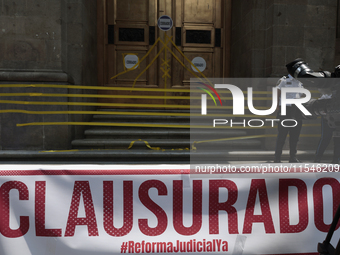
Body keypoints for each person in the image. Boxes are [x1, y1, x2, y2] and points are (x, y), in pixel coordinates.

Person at [274, 74, 303, 163]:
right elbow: (277, 92)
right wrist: (277, 106)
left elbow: (301, 95)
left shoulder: (300, 82)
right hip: (285, 109)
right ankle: (277, 157)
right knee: (282, 135)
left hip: (296, 109)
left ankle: (293, 157)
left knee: (295, 135)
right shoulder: (284, 80)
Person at [314, 93, 340, 164]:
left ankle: (336, 159)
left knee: (337, 139)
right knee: (325, 137)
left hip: (336, 116)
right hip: (328, 116)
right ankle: (318, 158)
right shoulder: (328, 92)